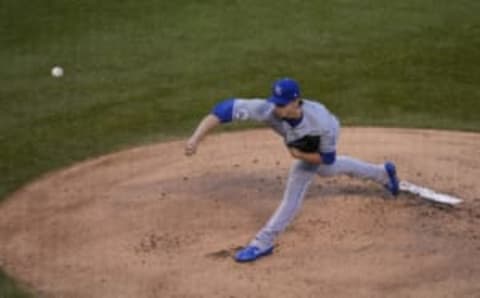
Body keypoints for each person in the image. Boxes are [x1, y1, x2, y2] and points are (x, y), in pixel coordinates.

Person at [184, 78, 399, 263]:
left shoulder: (321, 124)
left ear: (297, 102)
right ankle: (381, 173)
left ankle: (263, 242)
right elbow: (224, 109)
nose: (277, 109)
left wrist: (300, 156)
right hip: (304, 143)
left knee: (300, 182)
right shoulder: (269, 109)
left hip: (320, 141)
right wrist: (196, 138)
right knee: (326, 171)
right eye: (276, 103)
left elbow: (327, 156)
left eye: (282, 104)